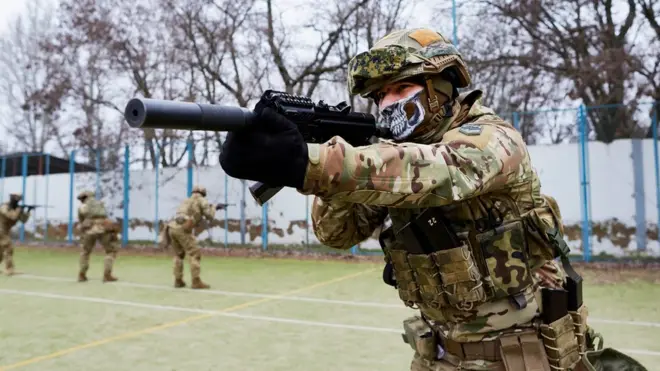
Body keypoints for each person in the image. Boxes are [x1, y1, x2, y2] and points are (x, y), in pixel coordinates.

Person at [219, 28, 647, 371]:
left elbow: (442, 170)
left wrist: (312, 163)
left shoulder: (492, 139)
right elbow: (336, 232)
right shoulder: (385, 162)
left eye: (401, 88)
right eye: (379, 96)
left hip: (526, 357)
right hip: (438, 356)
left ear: (442, 87)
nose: (388, 104)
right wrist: (330, 166)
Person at [158, 185, 217, 289]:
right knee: (194, 253)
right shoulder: (202, 200)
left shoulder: (186, 200)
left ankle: (178, 280)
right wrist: (214, 208)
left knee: (178, 255)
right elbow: (210, 216)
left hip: (171, 227)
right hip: (183, 228)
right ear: (203, 193)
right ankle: (196, 281)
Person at [76, 190, 119, 282]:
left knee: (85, 252)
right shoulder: (100, 203)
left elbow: (81, 221)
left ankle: (82, 275)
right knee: (110, 251)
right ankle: (107, 275)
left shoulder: (82, 207)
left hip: (88, 230)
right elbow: (104, 216)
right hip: (103, 228)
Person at [0, 193, 31, 276]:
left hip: (4, 231)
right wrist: (18, 210)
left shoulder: (16, 209)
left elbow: (23, 220)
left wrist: (28, 211)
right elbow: (12, 216)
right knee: (8, 247)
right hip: (1, 230)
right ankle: (9, 269)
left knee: (0, 251)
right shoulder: (4, 207)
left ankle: (9, 269)